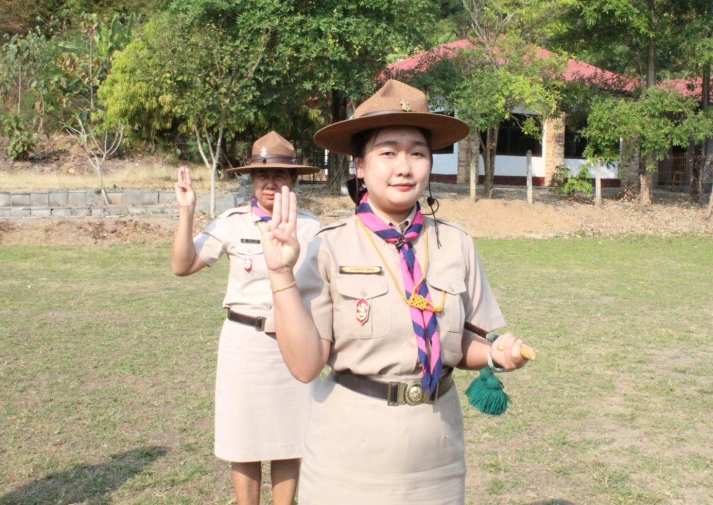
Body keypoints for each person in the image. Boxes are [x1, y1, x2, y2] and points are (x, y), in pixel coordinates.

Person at [259, 80, 529, 504]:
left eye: (417, 153)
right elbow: (306, 365)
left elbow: (460, 343)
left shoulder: (455, 243)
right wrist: (280, 273)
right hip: (349, 456)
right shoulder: (329, 246)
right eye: (387, 152)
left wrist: (496, 353)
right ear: (360, 165)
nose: (404, 167)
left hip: (436, 453)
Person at [171, 131, 320, 505]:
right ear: (251, 180)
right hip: (244, 343)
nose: (270, 183)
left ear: (293, 180)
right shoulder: (233, 222)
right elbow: (182, 265)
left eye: (279, 175)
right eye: (261, 175)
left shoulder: (312, 228)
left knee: (290, 438)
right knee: (244, 439)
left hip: (293, 347)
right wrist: (187, 211)